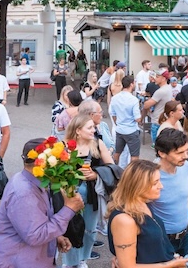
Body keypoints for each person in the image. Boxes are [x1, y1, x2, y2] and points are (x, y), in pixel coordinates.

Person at [0, 138, 85, 268]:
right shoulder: (24, 193)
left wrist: (54, 237)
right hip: (14, 261)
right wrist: (69, 209)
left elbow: (34, 223)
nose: (61, 169)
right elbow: (35, 236)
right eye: (59, 164)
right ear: (42, 164)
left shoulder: (34, 182)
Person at [106, 160, 188, 267]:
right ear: (138, 186)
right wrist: (169, 265)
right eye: (155, 183)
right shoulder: (124, 220)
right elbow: (127, 266)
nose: (161, 186)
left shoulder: (144, 204)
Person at [60, 113, 114, 268]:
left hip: (92, 193)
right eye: (90, 127)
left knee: (90, 230)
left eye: (93, 127)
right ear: (78, 130)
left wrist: (95, 174)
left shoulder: (97, 143)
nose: (94, 130)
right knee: (72, 228)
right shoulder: (63, 146)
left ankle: (82, 259)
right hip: (69, 194)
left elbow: (112, 167)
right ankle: (70, 263)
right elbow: (54, 173)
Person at [152, 128, 188, 257]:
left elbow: (186, 194)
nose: (185, 156)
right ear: (162, 153)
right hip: (161, 238)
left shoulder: (185, 166)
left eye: (186, 151)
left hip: (184, 235)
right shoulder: (150, 175)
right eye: (179, 153)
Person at [110, 75, 143, 164]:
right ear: (131, 84)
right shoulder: (134, 100)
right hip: (131, 130)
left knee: (117, 153)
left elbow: (113, 114)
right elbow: (137, 119)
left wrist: (118, 122)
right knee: (134, 156)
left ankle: (113, 169)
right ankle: (132, 175)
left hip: (120, 129)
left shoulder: (115, 98)